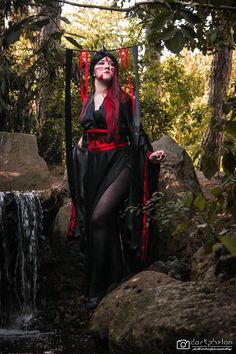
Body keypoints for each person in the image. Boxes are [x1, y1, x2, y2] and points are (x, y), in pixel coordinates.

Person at [67, 48, 165, 309]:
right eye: (102, 63)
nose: (107, 65)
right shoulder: (88, 99)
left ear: (115, 71)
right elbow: (87, 132)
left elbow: (137, 132)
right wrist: (78, 149)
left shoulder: (124, 99)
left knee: (100, 216)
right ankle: (116, 279)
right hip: (93, 165)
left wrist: (150, 154)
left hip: (121, 162)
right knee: (103, 223)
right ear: (94, 70)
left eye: (111, 63)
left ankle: (96, 289)